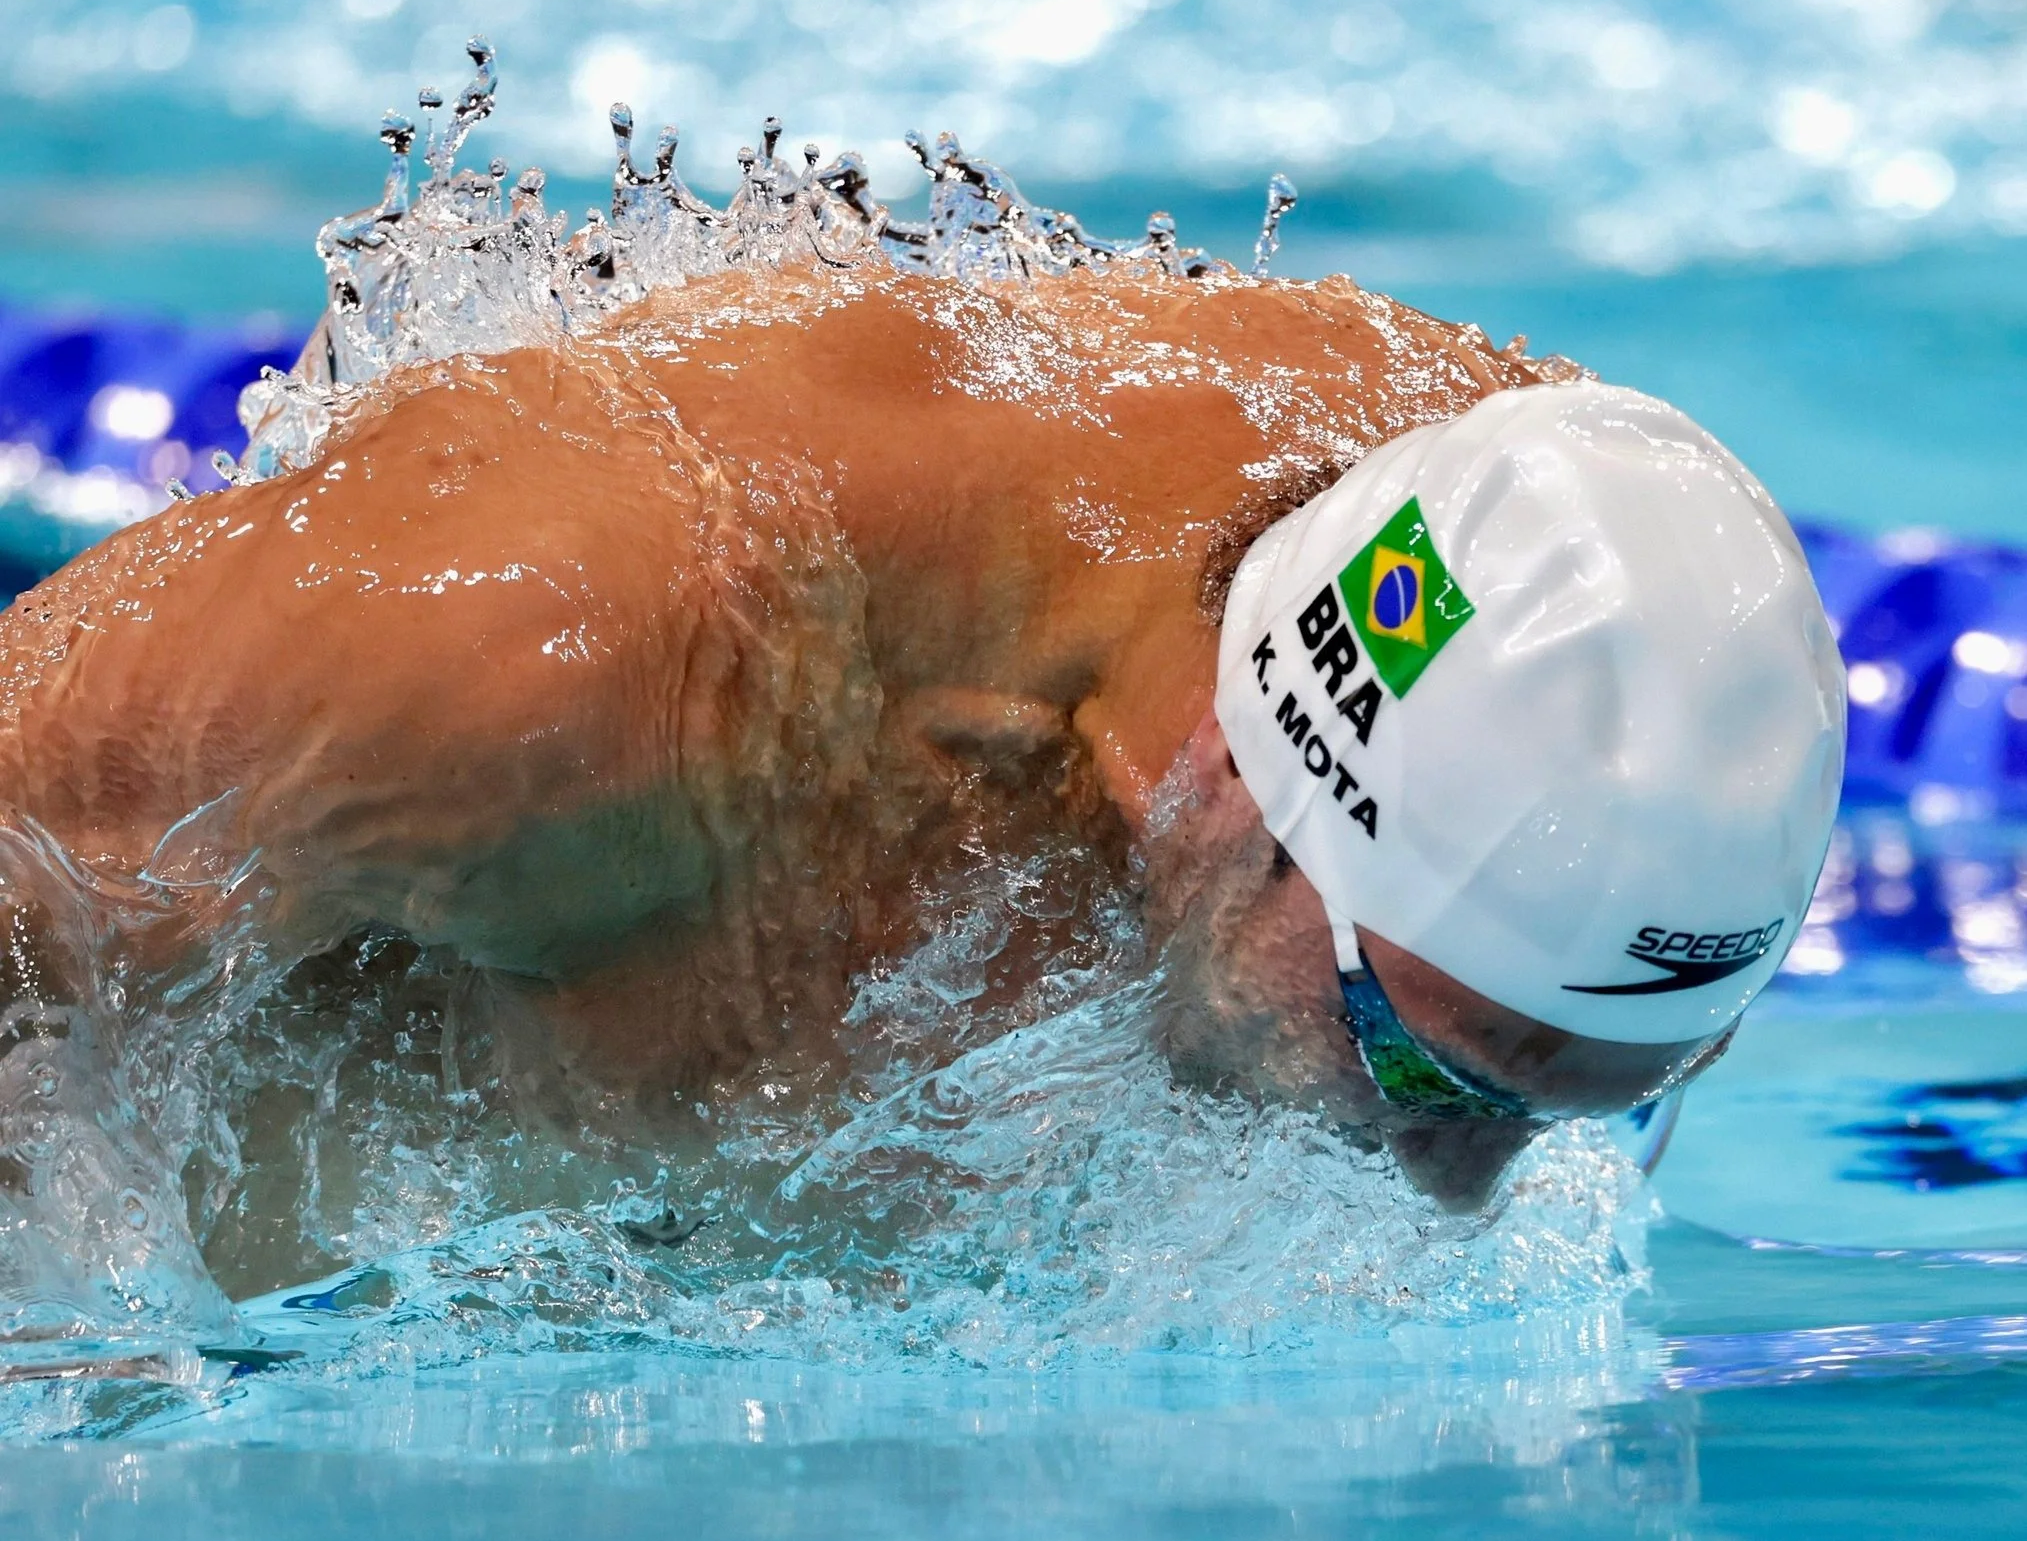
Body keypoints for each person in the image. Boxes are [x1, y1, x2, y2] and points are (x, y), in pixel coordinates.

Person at [0, 262, 1844, 1210]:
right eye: (1427, 1072)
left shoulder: (1542, 532)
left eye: (1616, 1096)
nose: (1464, 1195)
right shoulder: (575, 668)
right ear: (1230, 776)